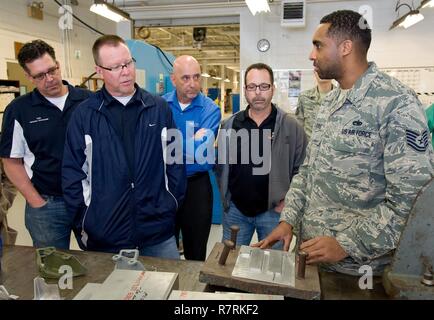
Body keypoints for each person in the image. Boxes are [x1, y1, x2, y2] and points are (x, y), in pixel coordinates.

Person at [255, 10, 434, 276]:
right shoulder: (331, 103)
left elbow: (412, 203)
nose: (311, 55)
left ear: (346, 47)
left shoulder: (396, 103)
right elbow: (308, 172)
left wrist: (347, 243)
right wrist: (288, 220)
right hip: (308, 260)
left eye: (318, 45)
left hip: (356, 272)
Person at [62, 35, 186, 258]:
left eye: (128, 63)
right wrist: (86, 220)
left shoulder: (158, 108)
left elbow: (175, 160)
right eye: (116, 67)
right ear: (99, 71)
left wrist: (170, 204)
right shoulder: (84, 115)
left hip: (157, 232)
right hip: (106, 236)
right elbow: (73, 175)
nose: (126, 71)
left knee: (168, 290)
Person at [0, 40, 90, 249]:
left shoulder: (87, 101)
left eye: (52, 70)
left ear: (58, 65)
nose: (50, 79)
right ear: (28, 77)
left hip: (88, 200)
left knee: (100, 261)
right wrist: (36, 202)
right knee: (54, 270)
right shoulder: (19, 110)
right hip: (47, 205)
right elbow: (11, 161)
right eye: (40, 76)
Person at [217, 63, 307, 249]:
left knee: (272, 271)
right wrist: (226, 198)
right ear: (245, 90)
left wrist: (288, 202)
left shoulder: (290, 126)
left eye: (264, 86)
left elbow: (304, 170)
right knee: (230, 266)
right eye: (252, 87)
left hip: (274, 214)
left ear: (273, 89)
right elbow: (222, 166)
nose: (258, 92)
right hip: (236, 212)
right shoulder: (230, 125)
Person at [163, 55, 221, 261]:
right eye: (186, 78)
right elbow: (149, 147)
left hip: (196, 188)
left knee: (195, 253)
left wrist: (167, 141)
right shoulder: (160, 105)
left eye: (196, 77)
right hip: (165, 185)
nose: (193, 84)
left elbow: (202, 155)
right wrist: (190, 141)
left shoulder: (210, 109)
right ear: (173, 79)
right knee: (162, 249)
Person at [295, 71, 334, 139]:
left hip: (333, 148)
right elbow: (298, 126)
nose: (323, 72)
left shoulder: (342, 97)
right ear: (315, 72)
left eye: (325, 69)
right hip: (309, 147)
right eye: (319, 69)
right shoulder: (304, 97)